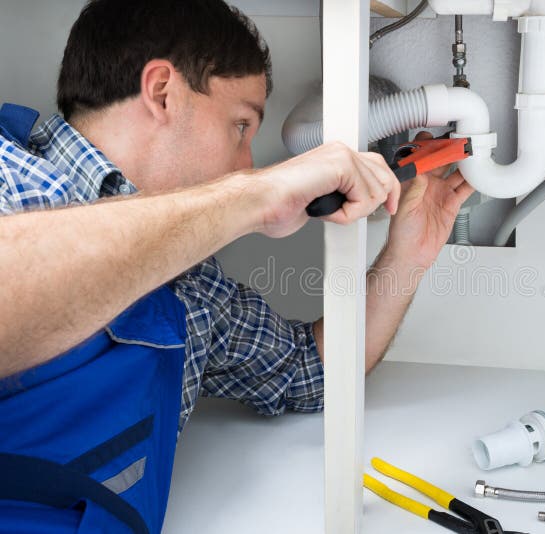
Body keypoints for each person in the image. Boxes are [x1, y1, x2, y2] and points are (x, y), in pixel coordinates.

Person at [0, 0, 474, 532]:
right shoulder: (10, 175)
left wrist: (408, 253)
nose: (249, 162)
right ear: (161, 92)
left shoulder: (189, 287)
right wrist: (252, 196)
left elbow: (310, 371)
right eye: (240, 125)